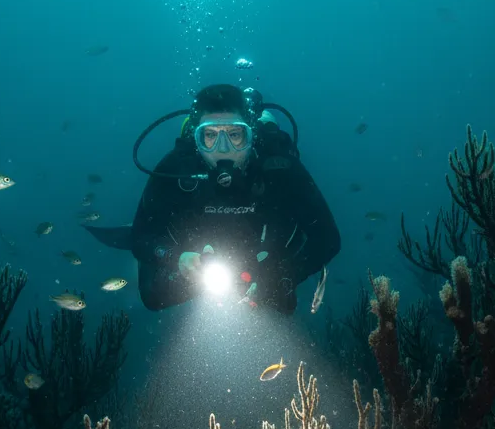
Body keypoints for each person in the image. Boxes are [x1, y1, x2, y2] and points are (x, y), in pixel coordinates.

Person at [86, 84, 341, 313]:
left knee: (282, 305)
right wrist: (176, 258)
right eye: (210, 136)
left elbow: (328, 239)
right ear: (197, 139)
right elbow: (140, 238)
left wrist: (284, 275)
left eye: (234, 134)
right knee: (154, 296)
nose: (222, 148)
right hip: (195, 256)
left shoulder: (278, 167)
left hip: (264, 256)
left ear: (250, 135)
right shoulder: (177, 167)